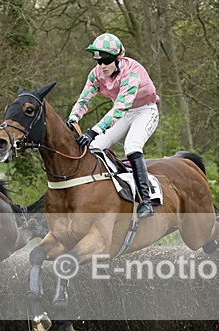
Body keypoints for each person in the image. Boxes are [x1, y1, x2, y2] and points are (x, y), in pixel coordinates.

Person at [67, 33, 160, 218]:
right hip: (125, 113)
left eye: (106, 61)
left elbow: (119, 109)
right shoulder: (96, 73)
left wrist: (94, 130)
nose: (102, 66)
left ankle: (146, 201)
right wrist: (73, 118)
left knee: (132, 146)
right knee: (93, 148)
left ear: (118, 59)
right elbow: (84, 99)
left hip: (145, 111)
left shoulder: (131, 73)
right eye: (98, 61)